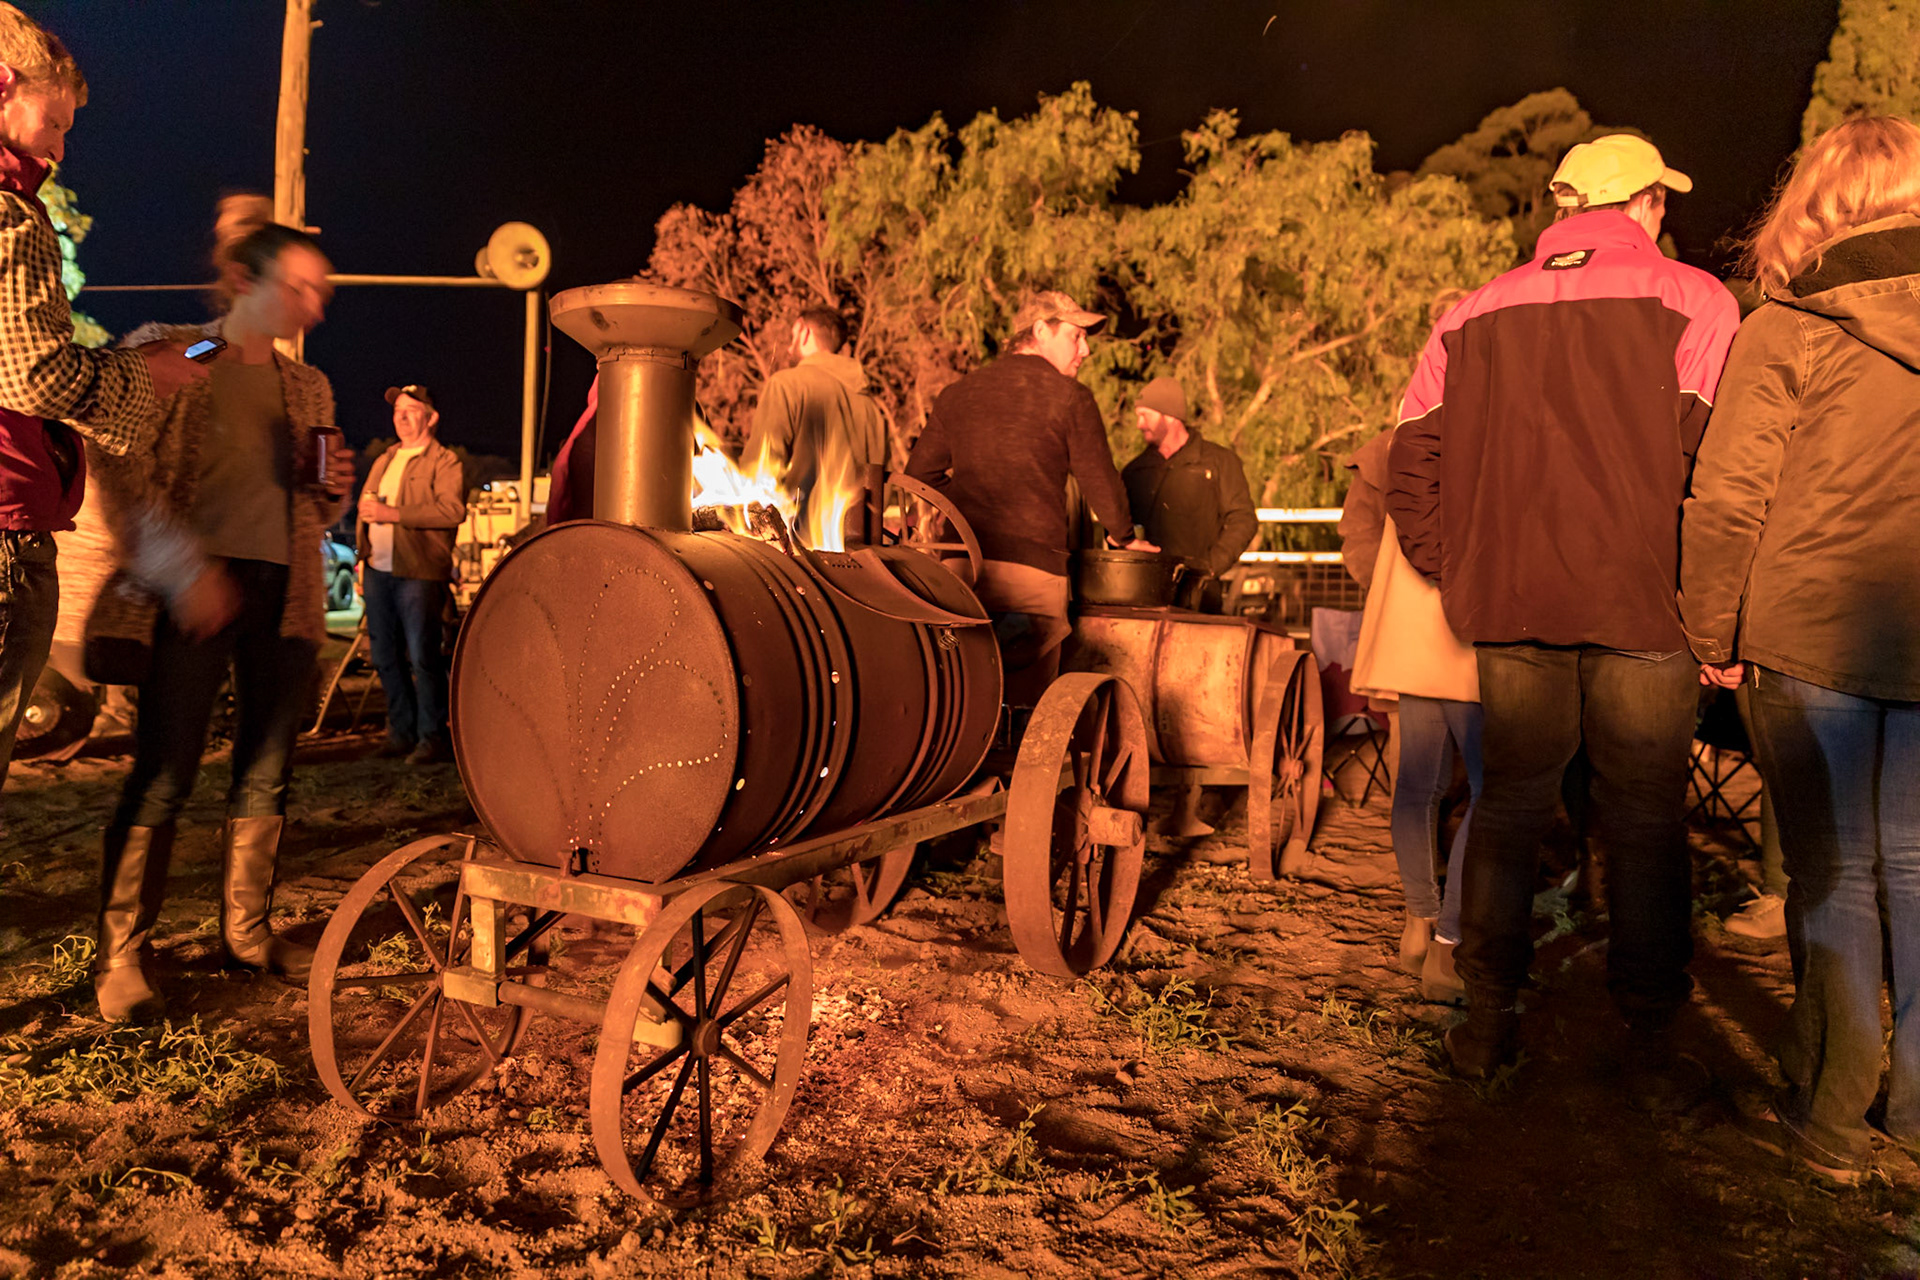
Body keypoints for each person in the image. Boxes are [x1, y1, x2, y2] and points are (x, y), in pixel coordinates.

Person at [1386, 134, 1740, 1109]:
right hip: (1644, 605)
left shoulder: (1470, 313)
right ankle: (1651, 1040)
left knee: (1505, 805)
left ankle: (1487, 1023)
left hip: (1511, 607)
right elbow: (1718, 475)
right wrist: (1714, 609)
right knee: (1644, 818)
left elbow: (1408, 462)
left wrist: (1458, 573)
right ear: (1645, 206)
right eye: (1663, 198)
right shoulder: (1699, 302)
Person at [1679, 116, 1920, 1185]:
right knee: (1916, 869)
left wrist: (1710, 629)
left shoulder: (1785, 325)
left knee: (1834, 872)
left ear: (1814, 201)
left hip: (1811, 633)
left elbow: (1730, 498)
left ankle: (1829, 1114)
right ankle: (1912, 1109)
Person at [85, 196, 348, 1023]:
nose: (315, 303)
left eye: (320, 290)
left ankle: (248, 932)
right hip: (191, 585)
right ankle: (121, 955)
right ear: (243, 277)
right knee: (165, 767)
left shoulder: (305, 383)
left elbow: (317, 507)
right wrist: (180, 570)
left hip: (285, 588)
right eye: (300, 285)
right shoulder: (182, 353)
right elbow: (121, 476)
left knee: (267, 764)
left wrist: (331, 493)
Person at [0, 4, 202, 810]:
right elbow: (34, 377)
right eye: (53, 123)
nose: (58, 148)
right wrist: (146, 376)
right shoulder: (10, 215)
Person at [905, 290, 1150, 703]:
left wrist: (966, 500)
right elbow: (1100, 484)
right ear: (1040, 331)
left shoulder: (958, 394)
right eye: (1076, 337)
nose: (1086, 350)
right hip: (1032, 578)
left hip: (961, 573)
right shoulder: (1071, 398)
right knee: (1027, 706)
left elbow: (918, 477)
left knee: (966, 695)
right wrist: (1124, 538)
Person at [1341, 426, 1481, 1005]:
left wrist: (1387, 595)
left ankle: (1419, 924)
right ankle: (1449, 943)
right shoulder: (1495, 433)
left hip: (1409, 623)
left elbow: (1360, 535)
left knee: (1415, 784)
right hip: (1473, 630)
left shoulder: (1398, 442)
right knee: (1491, 790)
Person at [358, 383, 463, 764]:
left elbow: (452, 511)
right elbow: (365, 507)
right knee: (385, 656)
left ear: (431, 417)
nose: (401, 416)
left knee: (423, 657)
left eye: (410, 409)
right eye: (397, 410)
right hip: (377, 570)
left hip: (418, 573)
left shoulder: (445, 462)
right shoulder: (385, 458)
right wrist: (362, 554)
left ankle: (431, 738)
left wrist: (393, 514)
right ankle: (400, 732)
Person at [739, 307, 888, 547]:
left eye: (792, 335)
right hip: (860, 558)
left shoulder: (786, 385)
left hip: (799, 554)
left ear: (803, 330)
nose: (788, 346)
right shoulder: (871, 408)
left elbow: (759, 474)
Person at [1119, 376, 1257, 611]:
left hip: (1201, 599)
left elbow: (1243, 520)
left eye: (1146, 415)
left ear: (1171, 416)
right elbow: (1121, 531)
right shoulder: (1134, 472)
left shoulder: (1219, 463)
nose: (1139, 424)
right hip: (1144, 597)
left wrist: (1210, 567)